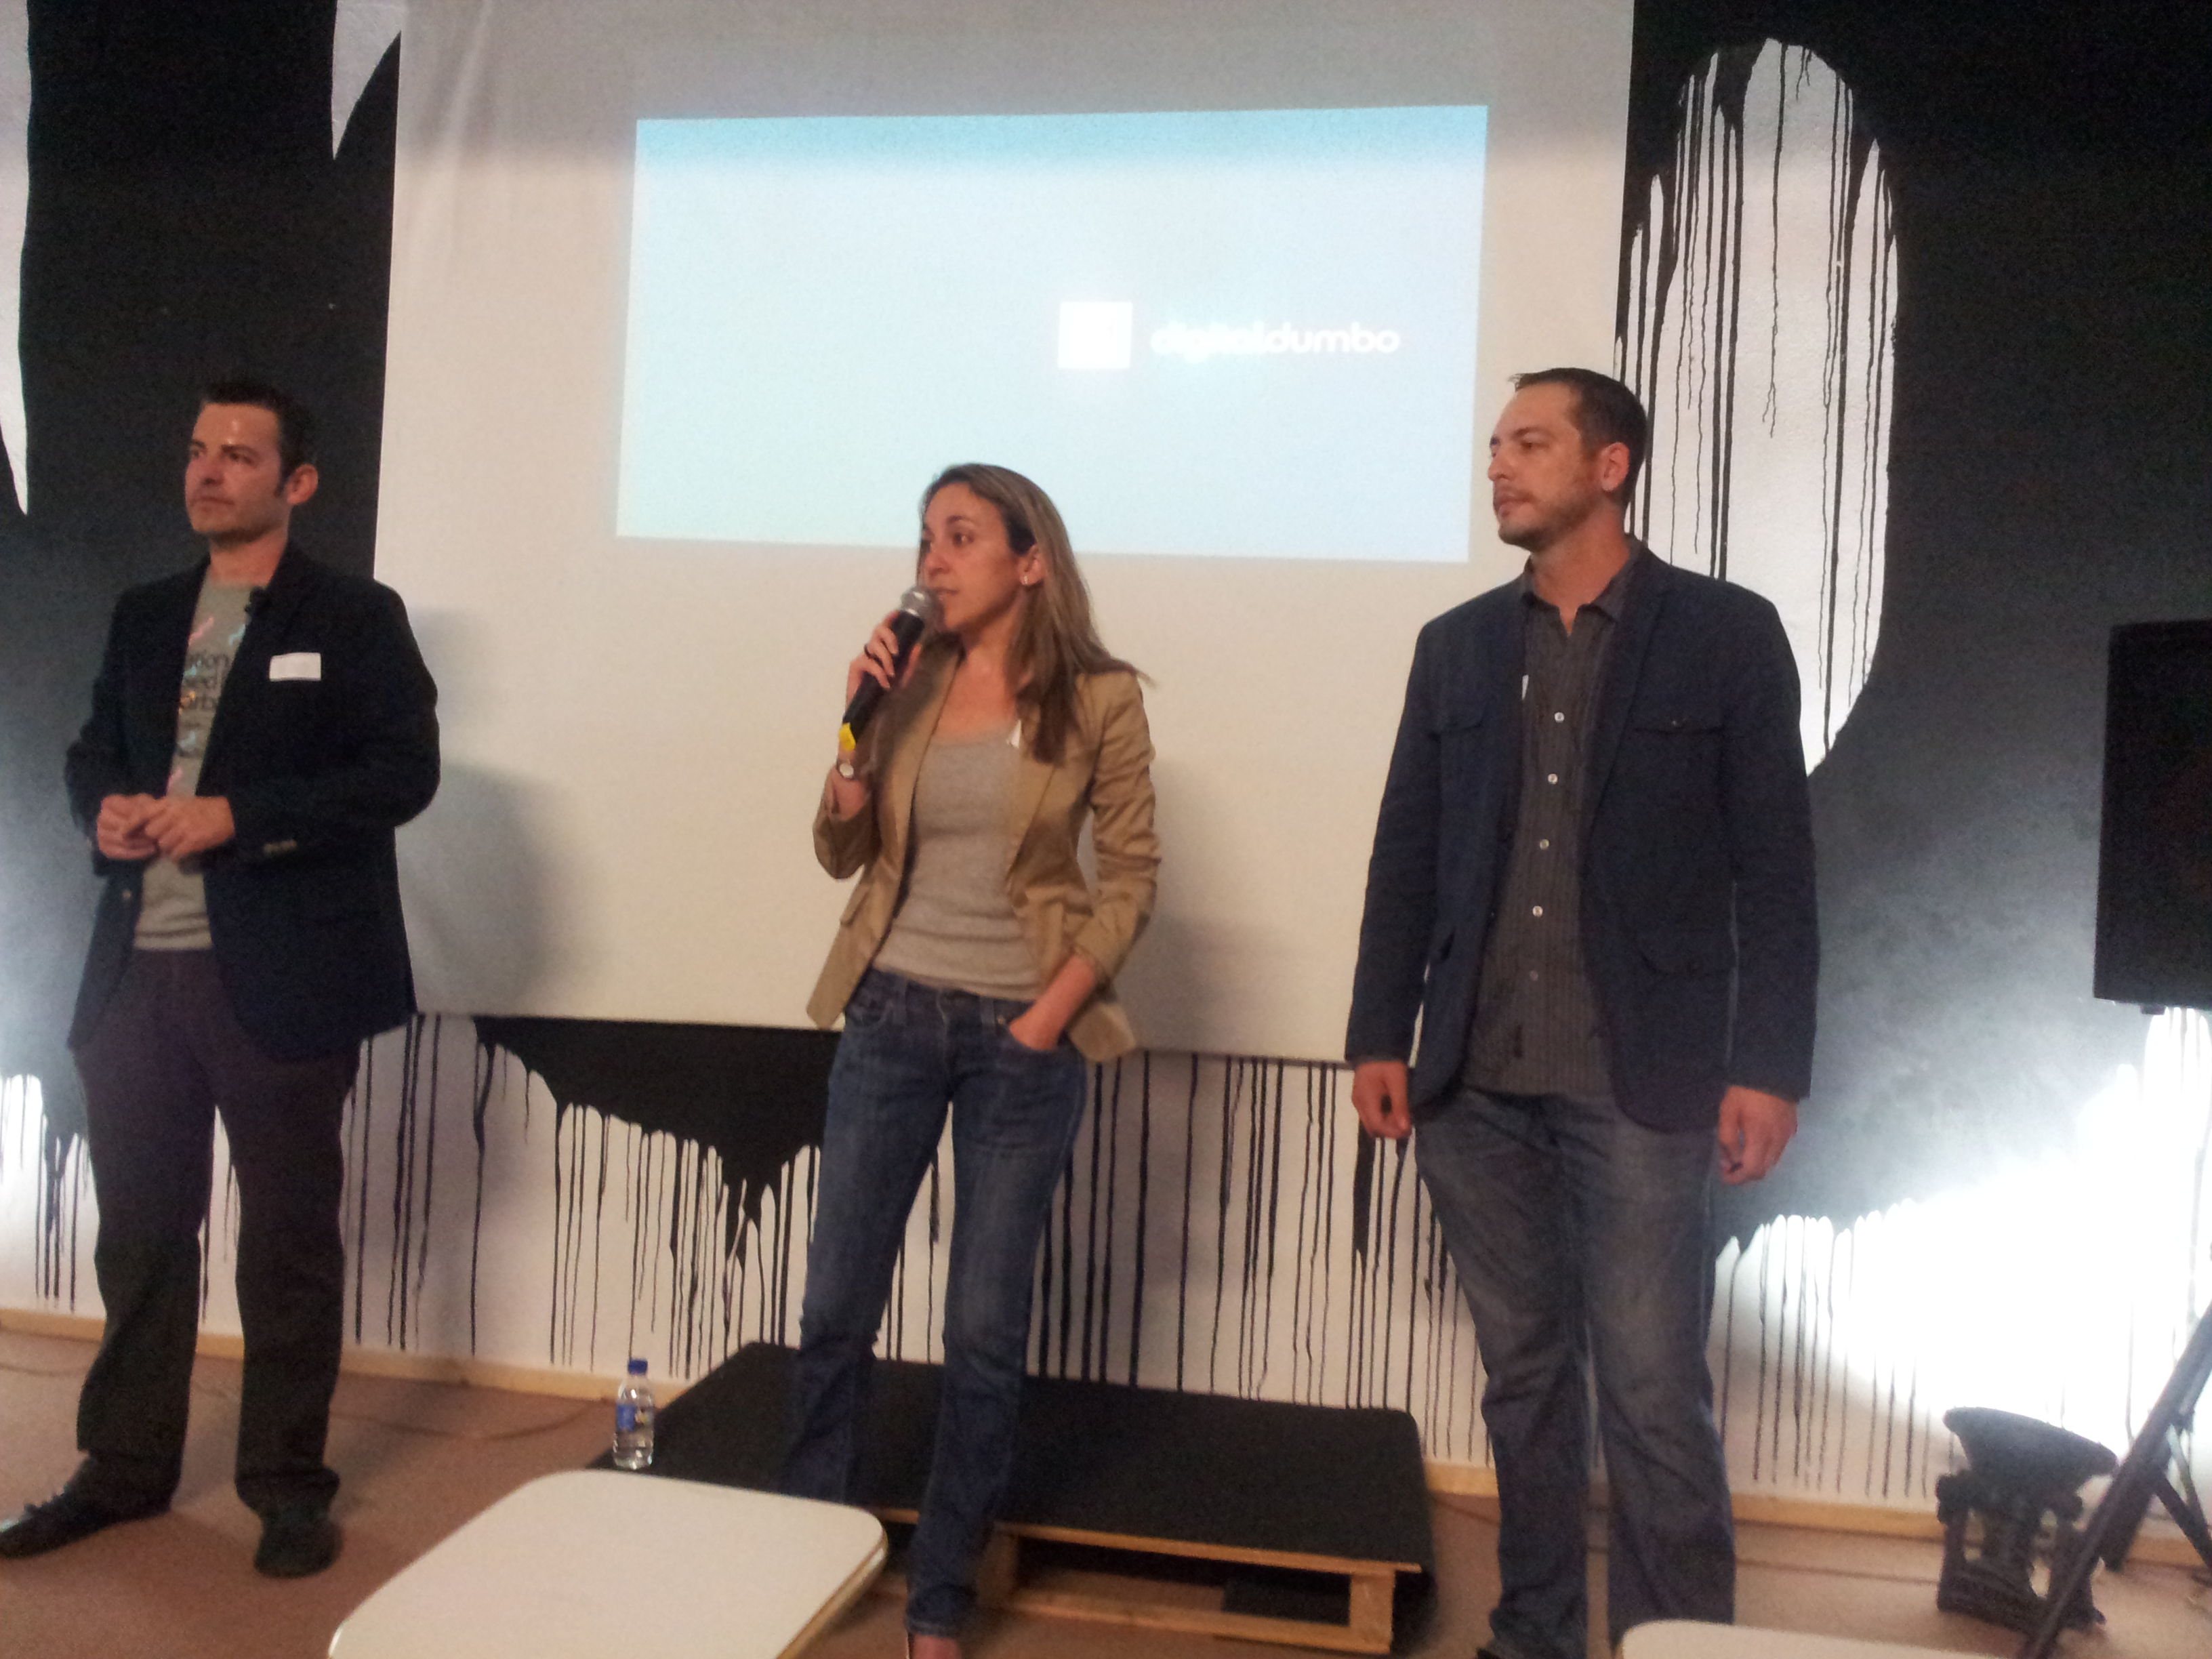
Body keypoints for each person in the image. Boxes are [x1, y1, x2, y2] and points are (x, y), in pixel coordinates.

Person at [1345, 369, 1817, 1658]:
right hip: (1473, 1083)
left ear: (1611, 467)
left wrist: (1771, 1065)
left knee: (1654, 1394)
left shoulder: (1727, 633)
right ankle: (1534, 1635)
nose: (1498, 464)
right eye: (1496, 444)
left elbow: (1778, 868)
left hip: (1643, 1079)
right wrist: (1380, 1031)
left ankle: (1679, 1646)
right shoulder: (1455, 646)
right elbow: (1406, 851)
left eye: (1530, 442)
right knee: (1525, 1382)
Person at [0, 380, 439, 1578]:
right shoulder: (146, 613)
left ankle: (287, 1487)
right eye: (199, 449)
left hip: (281, 977)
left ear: (298, 483)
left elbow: (402, 773)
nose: (208, 470)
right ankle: (123, 1468)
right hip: (133, 975)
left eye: (240, 455)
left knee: (286, 1244)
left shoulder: (354, 616)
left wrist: (240, 814)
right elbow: (92, 751)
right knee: (142, 1236)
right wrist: (105, 811)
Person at [782, 464, 1158, 1657]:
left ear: (1029, 561)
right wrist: (854, 733)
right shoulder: (908, 677)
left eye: (960, 537)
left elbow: (1132, 875)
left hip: (1022, 1038)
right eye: (925, 539)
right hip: (890, 1015)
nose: (932, 562)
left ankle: (941, 1597)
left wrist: (1050, 1014)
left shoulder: (1099, 698)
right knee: (836, 1306)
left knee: (984, 1332)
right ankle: (800, 1557)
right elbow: (840, 851)